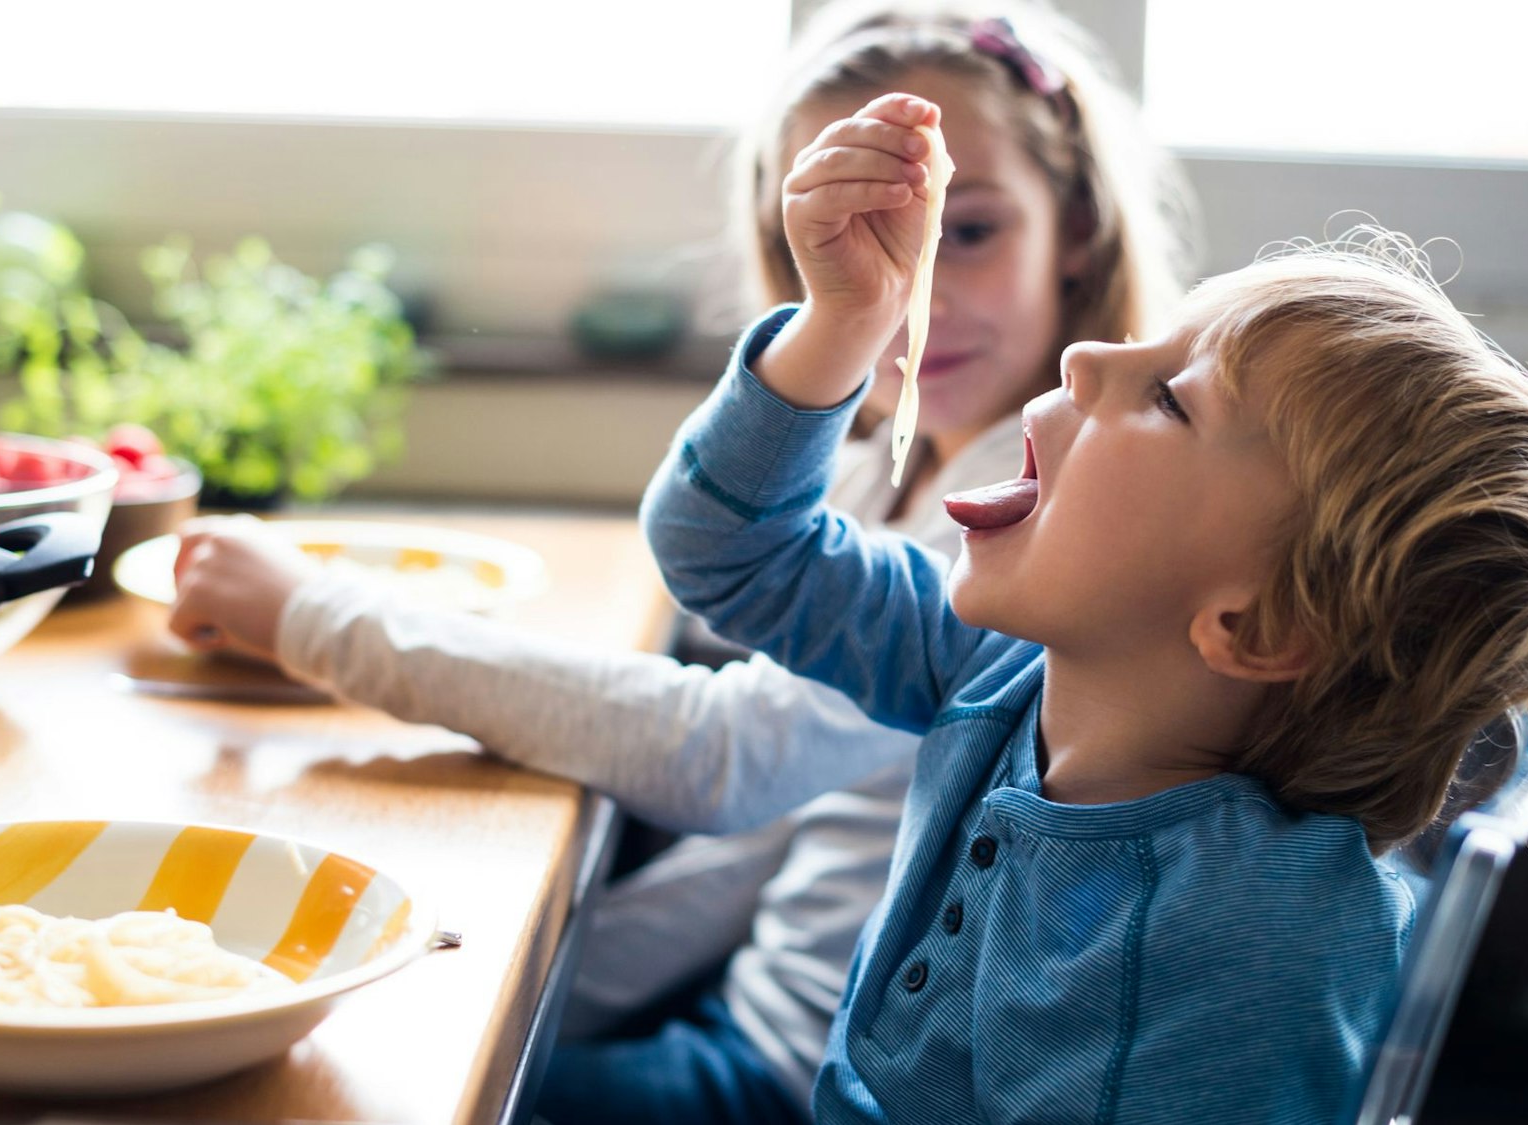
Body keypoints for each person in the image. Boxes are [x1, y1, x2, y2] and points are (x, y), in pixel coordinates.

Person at [168, 2, 1189, 1121]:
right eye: (855, 237)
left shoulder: (1045, 531)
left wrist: (317, 618)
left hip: (806, 1073)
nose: (917, 289)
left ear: (1076, 227)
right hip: (744, 1017)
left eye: (970, 230)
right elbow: (756, 840)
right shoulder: (871, 476)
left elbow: (723, 758)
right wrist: (535, 994)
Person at [638, 84, 1528, 1120]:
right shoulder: (1000, 666)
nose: (1083, 357)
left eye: (1170, 397)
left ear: (1255, 626)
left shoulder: (1250, 955)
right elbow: (732, 555)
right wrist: (842, 321)